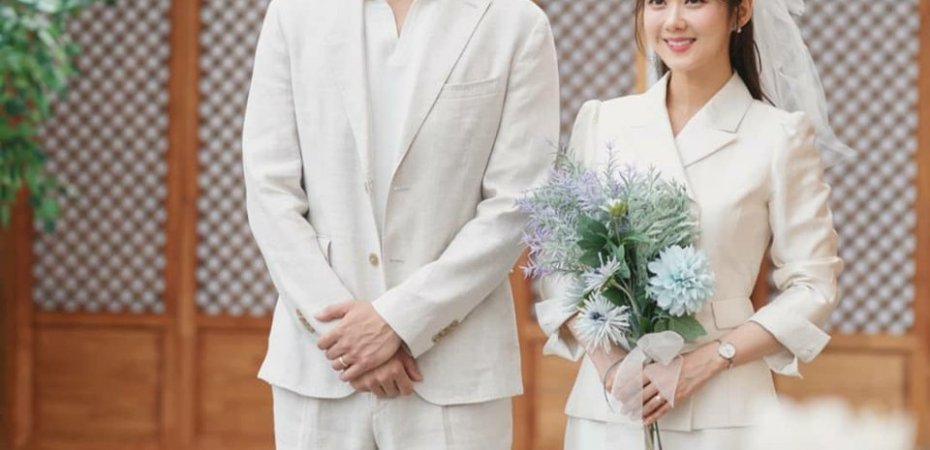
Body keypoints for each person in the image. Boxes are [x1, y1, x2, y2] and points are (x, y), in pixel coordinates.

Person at [241, 0, 559, 448]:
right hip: (322, 367)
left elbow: (517, 201)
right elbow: (269, 189)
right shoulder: (294, 12)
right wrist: (344, 335)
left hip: (454, 370)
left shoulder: (515, 22)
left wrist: (399, 321)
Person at [535, 0, 845, 448]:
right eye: (658, 3)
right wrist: (612, 366)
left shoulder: (779, 136)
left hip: (724, 409)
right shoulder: (604, 121)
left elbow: (813, 285)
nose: (674, 20)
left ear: (741, 13)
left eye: (695, 1)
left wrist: (709, 361)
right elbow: (560, 261)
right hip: (610, 407)